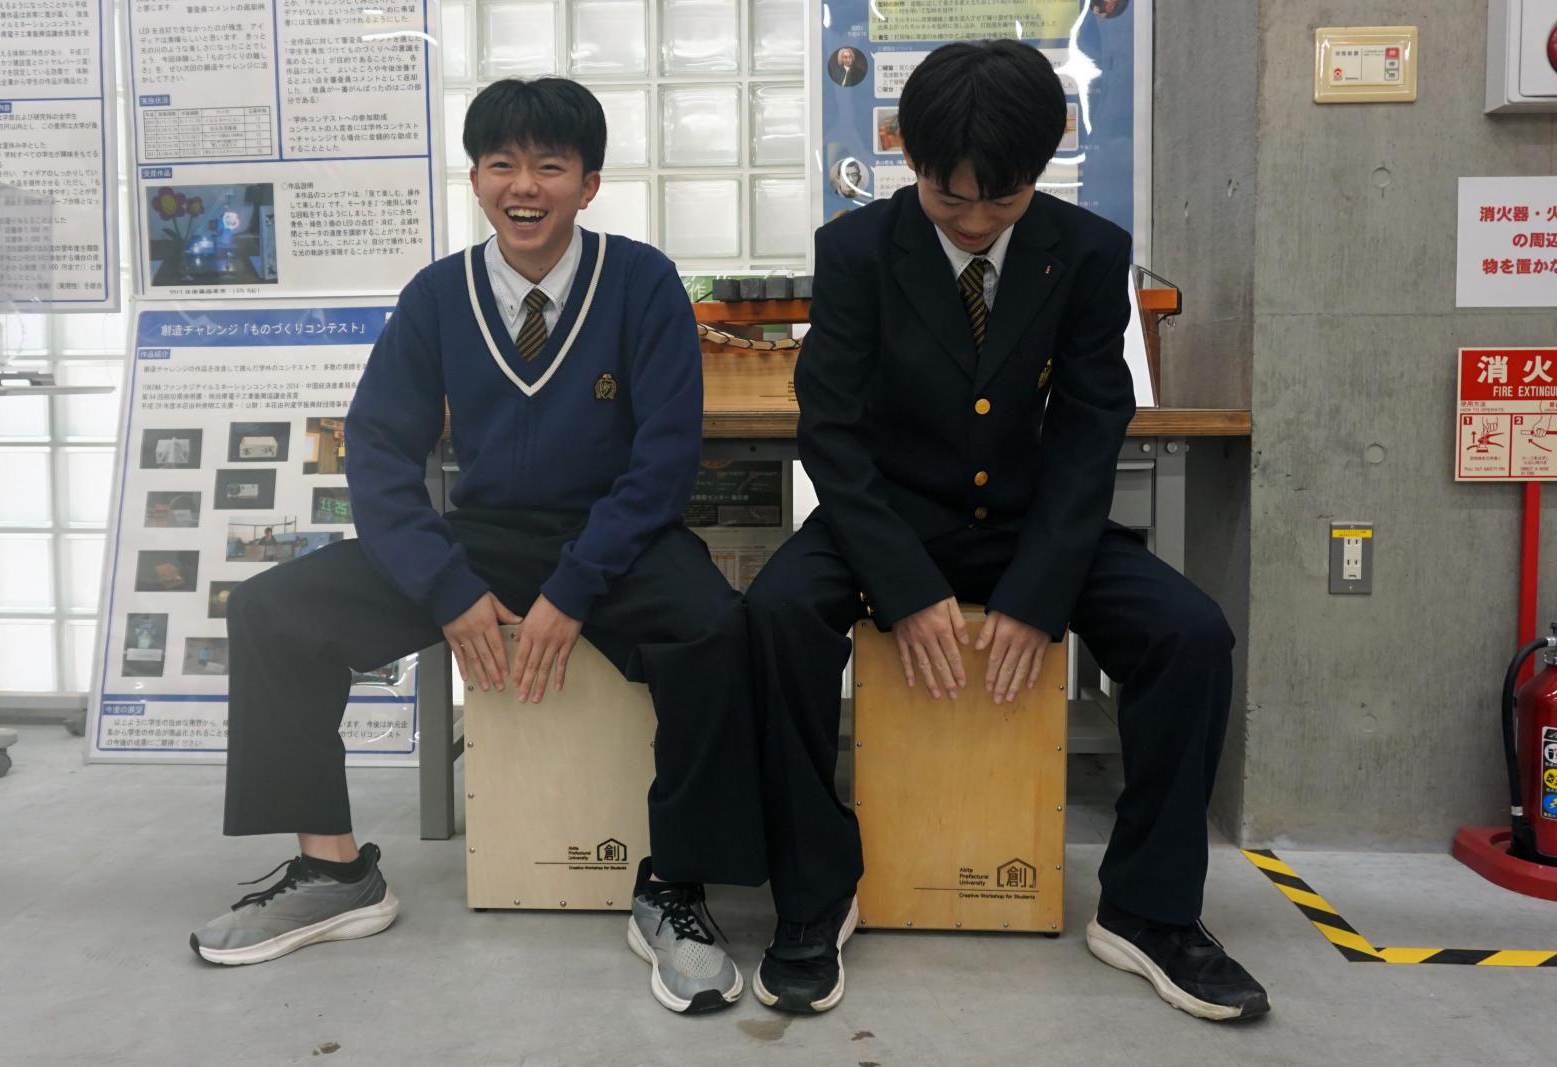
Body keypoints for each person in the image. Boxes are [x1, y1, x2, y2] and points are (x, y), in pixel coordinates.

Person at [190, 77, 767, 1015]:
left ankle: (674, 888)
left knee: (716, 629)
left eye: (550, 165)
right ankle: (333, 873)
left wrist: (574, 588)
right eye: (502, 163)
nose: (523, 185)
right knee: (273, 611)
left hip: (616, 540)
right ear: (475, 179)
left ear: (589, 184)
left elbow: (664, 461)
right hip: (482, 540)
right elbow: (379, 451)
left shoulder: (643, 282)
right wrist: (447, 587)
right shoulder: (436, 296)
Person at [745, 40, 1269, 1021]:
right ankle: (814, 894)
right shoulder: (856, 251)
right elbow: (833, 435)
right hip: (889, 520)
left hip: (1034, 525)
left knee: (1189, 632)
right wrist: (904, 586)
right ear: (908, 156)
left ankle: (1150, 909)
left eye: (1005, 198)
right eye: (952, 200)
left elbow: (1089, 429)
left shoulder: (1088, 251)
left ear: (1044, 162)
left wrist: (1037, 593)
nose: (979, 221)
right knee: (775, 615)